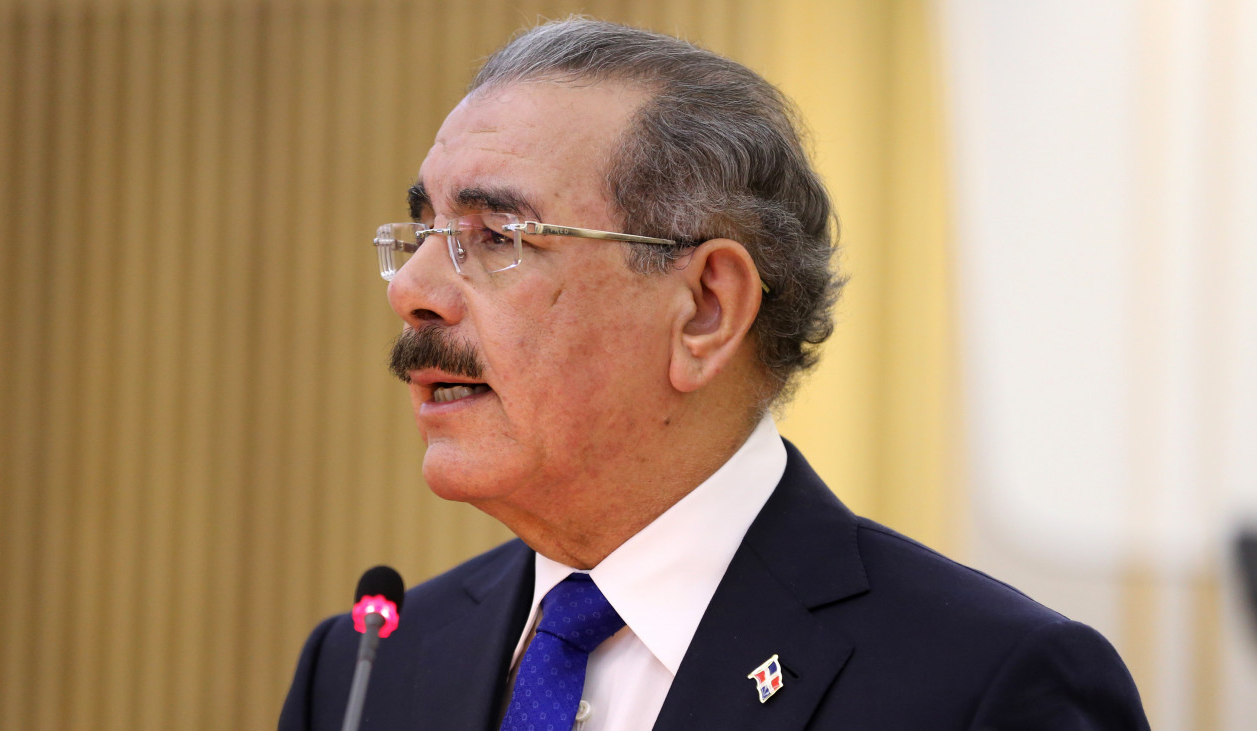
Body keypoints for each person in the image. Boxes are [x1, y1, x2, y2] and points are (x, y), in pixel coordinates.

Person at [280, 17, 1148, 731]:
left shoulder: (983, 686)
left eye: (497, 236)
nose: (412, 291)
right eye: (423, 232)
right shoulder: (365, 667)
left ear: (705, 307)